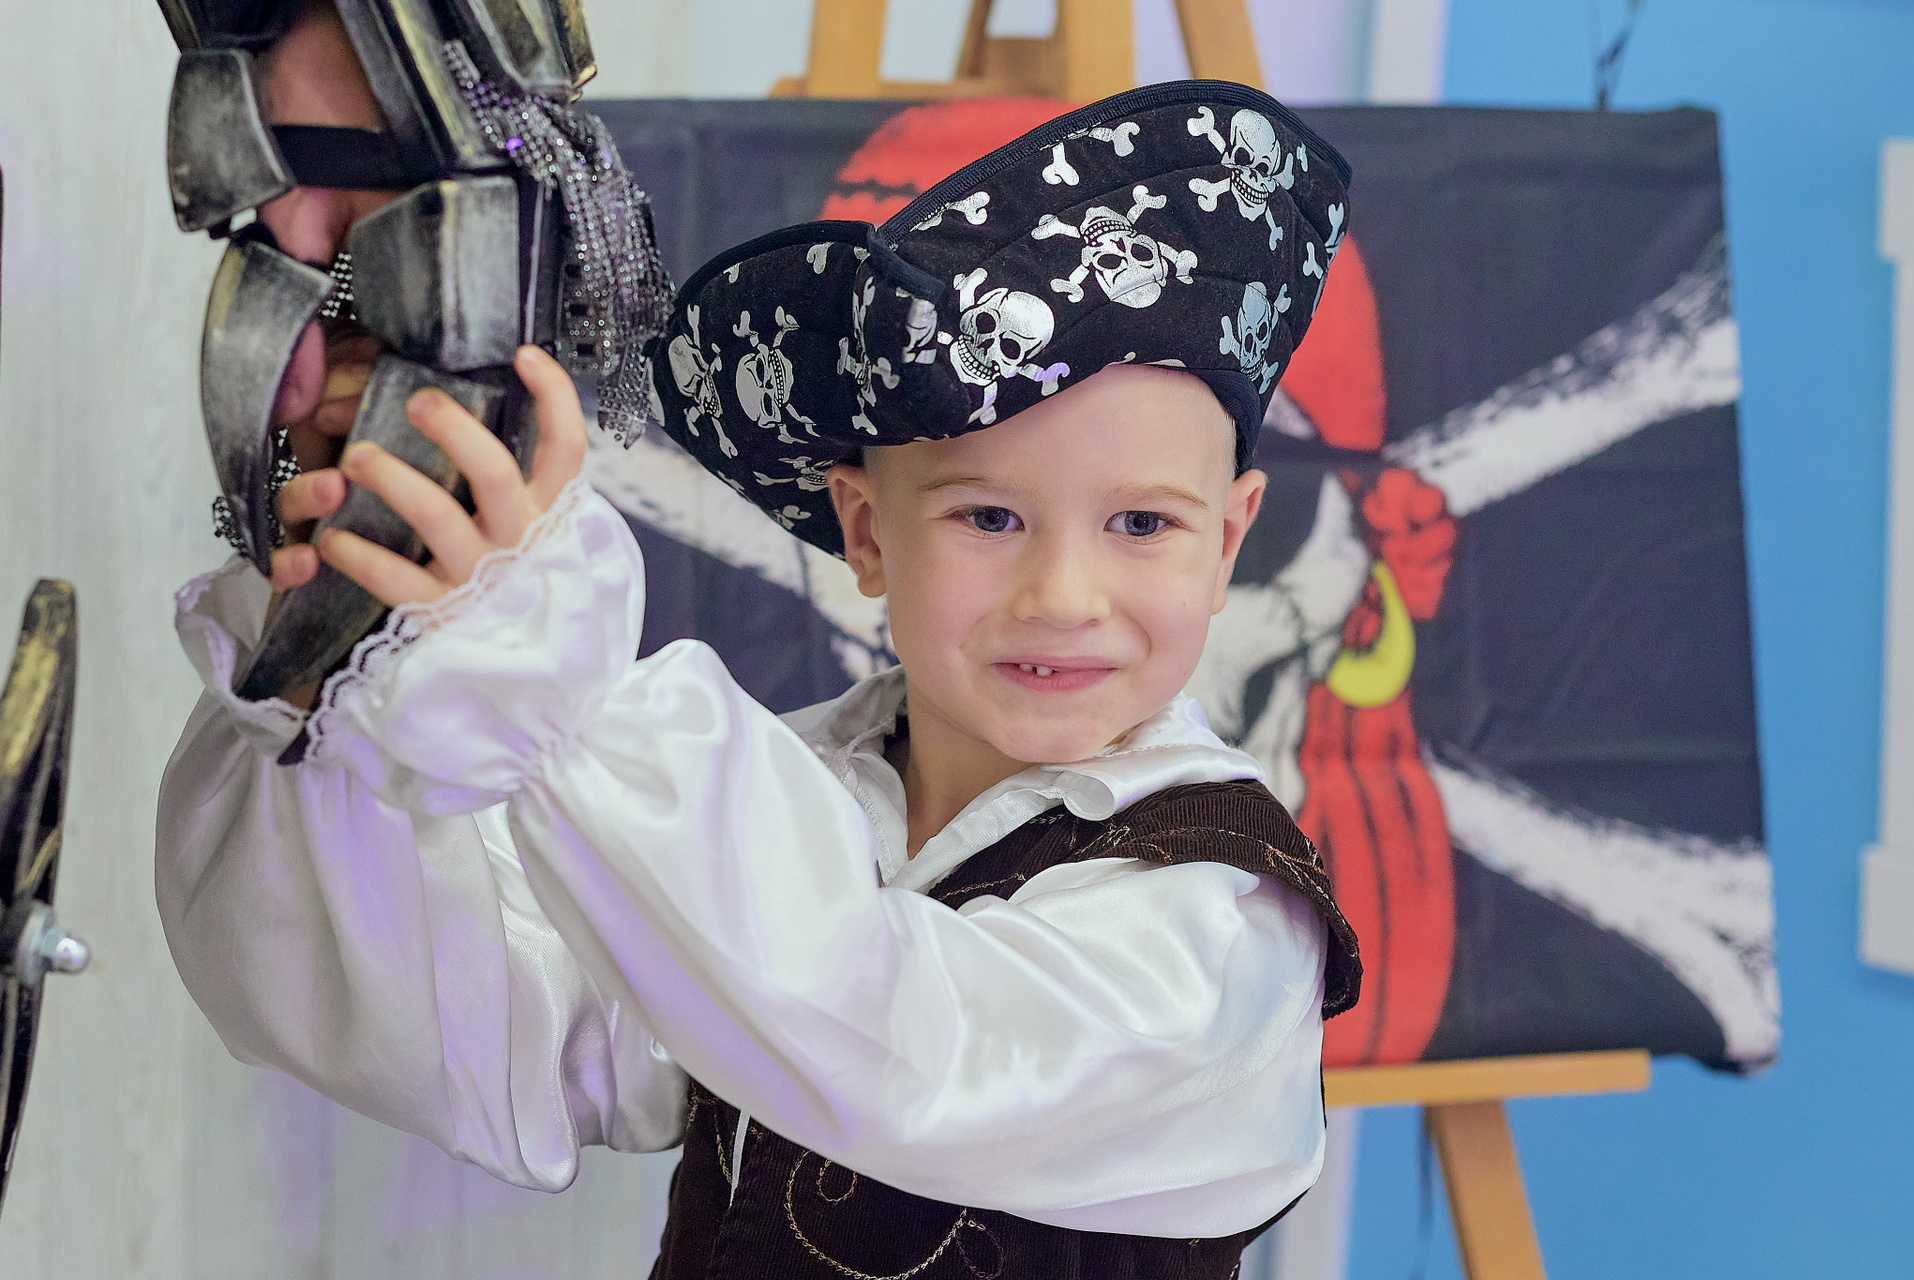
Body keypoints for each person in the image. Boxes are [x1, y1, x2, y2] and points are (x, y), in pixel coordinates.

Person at [157, 49, 1362, 1278]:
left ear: (1229, 542)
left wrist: (552, 680)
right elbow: (493, 1037)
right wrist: (345, 641)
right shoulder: (814, 789)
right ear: (865, 531)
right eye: (989, 516)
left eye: (1143, 523)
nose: (1063, 596)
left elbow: (915, 1046)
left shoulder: (1225, 922)